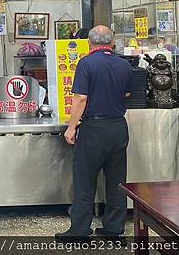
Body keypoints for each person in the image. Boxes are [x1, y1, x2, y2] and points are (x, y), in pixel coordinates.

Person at [56, 25, 133, 241]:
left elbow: (80, 98)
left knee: (85, 180)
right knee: (117, 181)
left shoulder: (87, 63)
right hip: (118, 127)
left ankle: (80, 231)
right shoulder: (124, 64)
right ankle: (114, 230)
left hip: (93, 129)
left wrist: (71, 127)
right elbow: (127, 92)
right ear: (112, 42)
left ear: (90, 43)